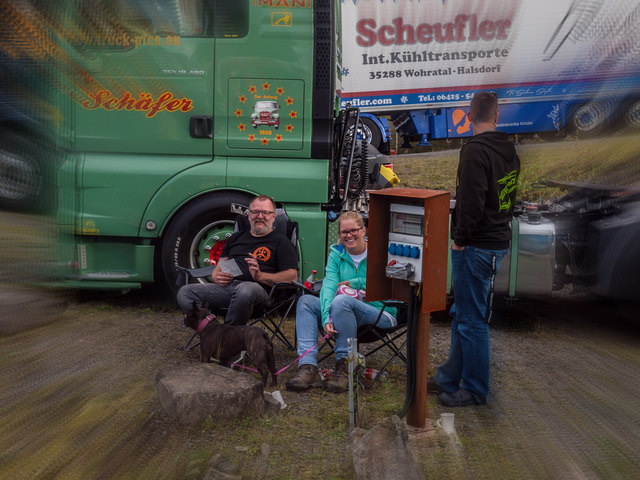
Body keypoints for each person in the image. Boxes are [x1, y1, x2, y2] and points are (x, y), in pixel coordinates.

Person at [429, 91, 520, 407]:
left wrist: (460, 239)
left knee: (471, 320)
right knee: (462, 314)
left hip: (476, 245)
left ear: (469, 116)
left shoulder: (474, 152)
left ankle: (476, 389)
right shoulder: (509, 151)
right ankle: (448, 377)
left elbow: (471, 202)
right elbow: (507, 198)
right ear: (497, 117)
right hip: (496, 241)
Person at [285, 211, 397, 393]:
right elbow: (329, 287)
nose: (349, 235)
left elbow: (386, 284)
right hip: (342, 311)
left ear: (363, 230)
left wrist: (356, 283)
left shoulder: (379, 252)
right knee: (306, 300)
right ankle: (308, 367)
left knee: (342, 300)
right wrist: (326, 319)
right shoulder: (336, 255)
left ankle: (345, 366)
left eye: (354, 230)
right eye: (344, 232)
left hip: (380, 311)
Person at [176, 195, 298, 325]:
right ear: (249, 215)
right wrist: (217, 277)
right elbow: (218, 269)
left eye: (265, 213)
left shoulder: (281, 242)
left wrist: (260, 276)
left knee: (245, 289)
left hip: (260, 291)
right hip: (228, 289)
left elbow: (292, 277)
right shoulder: (235, 238)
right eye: (255, 212)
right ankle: (212, 330)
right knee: (186, 293)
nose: (260, 216)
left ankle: (230, 335)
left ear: (273, 217)